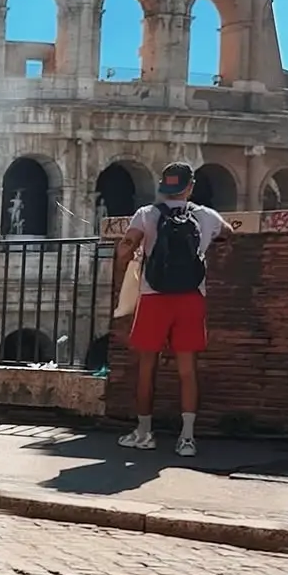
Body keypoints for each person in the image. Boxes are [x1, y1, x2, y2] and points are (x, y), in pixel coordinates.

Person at [114, 161, 233, 457]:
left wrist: (130, 253)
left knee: (146, 367)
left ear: (164, 188)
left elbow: (125, 250)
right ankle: (187, 438)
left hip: (154, 296)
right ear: (190, 186)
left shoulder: (147, 214)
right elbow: (229, 232)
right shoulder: (206, 216)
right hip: (191, 296)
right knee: (187, 370)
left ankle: (144, 433)